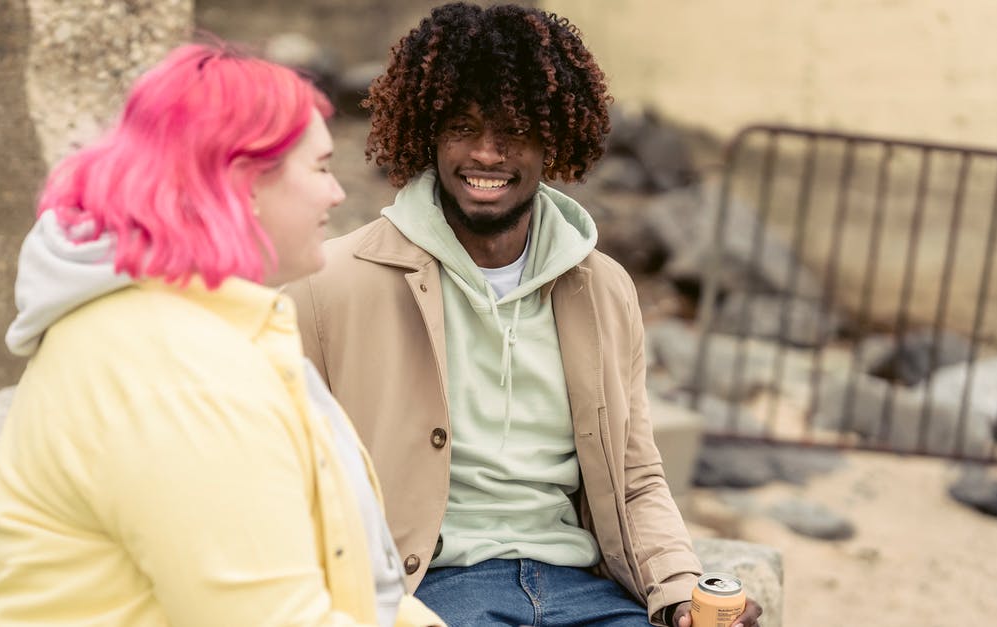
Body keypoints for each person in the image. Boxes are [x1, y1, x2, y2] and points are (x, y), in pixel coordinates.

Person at [284, 4, 762, 627]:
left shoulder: (606, 290)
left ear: (554, 137)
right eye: (462, 127)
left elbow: (637, 475)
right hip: (426, 593)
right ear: (427, 131)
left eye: (513, 130)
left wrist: (678, 591)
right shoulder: (328, 283)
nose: (486, 153)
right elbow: (286, 474)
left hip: (584, 591)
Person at [0, 41, 443, 627]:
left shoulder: (202, 327)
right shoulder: (178, 376)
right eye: (320, 167)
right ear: (243, 183)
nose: (337, 193)